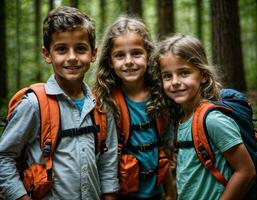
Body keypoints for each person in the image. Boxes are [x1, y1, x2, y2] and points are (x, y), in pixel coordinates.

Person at [0, 6, 119, 200]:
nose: (72, 57)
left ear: (93, 53)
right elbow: (4, 156)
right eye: (62, 49)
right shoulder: (34, 105)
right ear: (47, 54)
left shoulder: (102, 107)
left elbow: (108, 164)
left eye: (80, 48)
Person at [150, 33, 256, 200]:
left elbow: (246, 171)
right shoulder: (182, 118)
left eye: (184, 73)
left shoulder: (212, 120)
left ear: (204, 75)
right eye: (167, 76)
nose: (175, 81)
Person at [93, 16, 175, 200]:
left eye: (136, 53)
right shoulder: (106, 101)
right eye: (120, 55)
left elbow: (165, 149)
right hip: (122, 192)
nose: (129, 61)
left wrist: (170, 193)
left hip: (158, 192)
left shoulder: (162, 95)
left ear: (149, 56)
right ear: (109, 61)